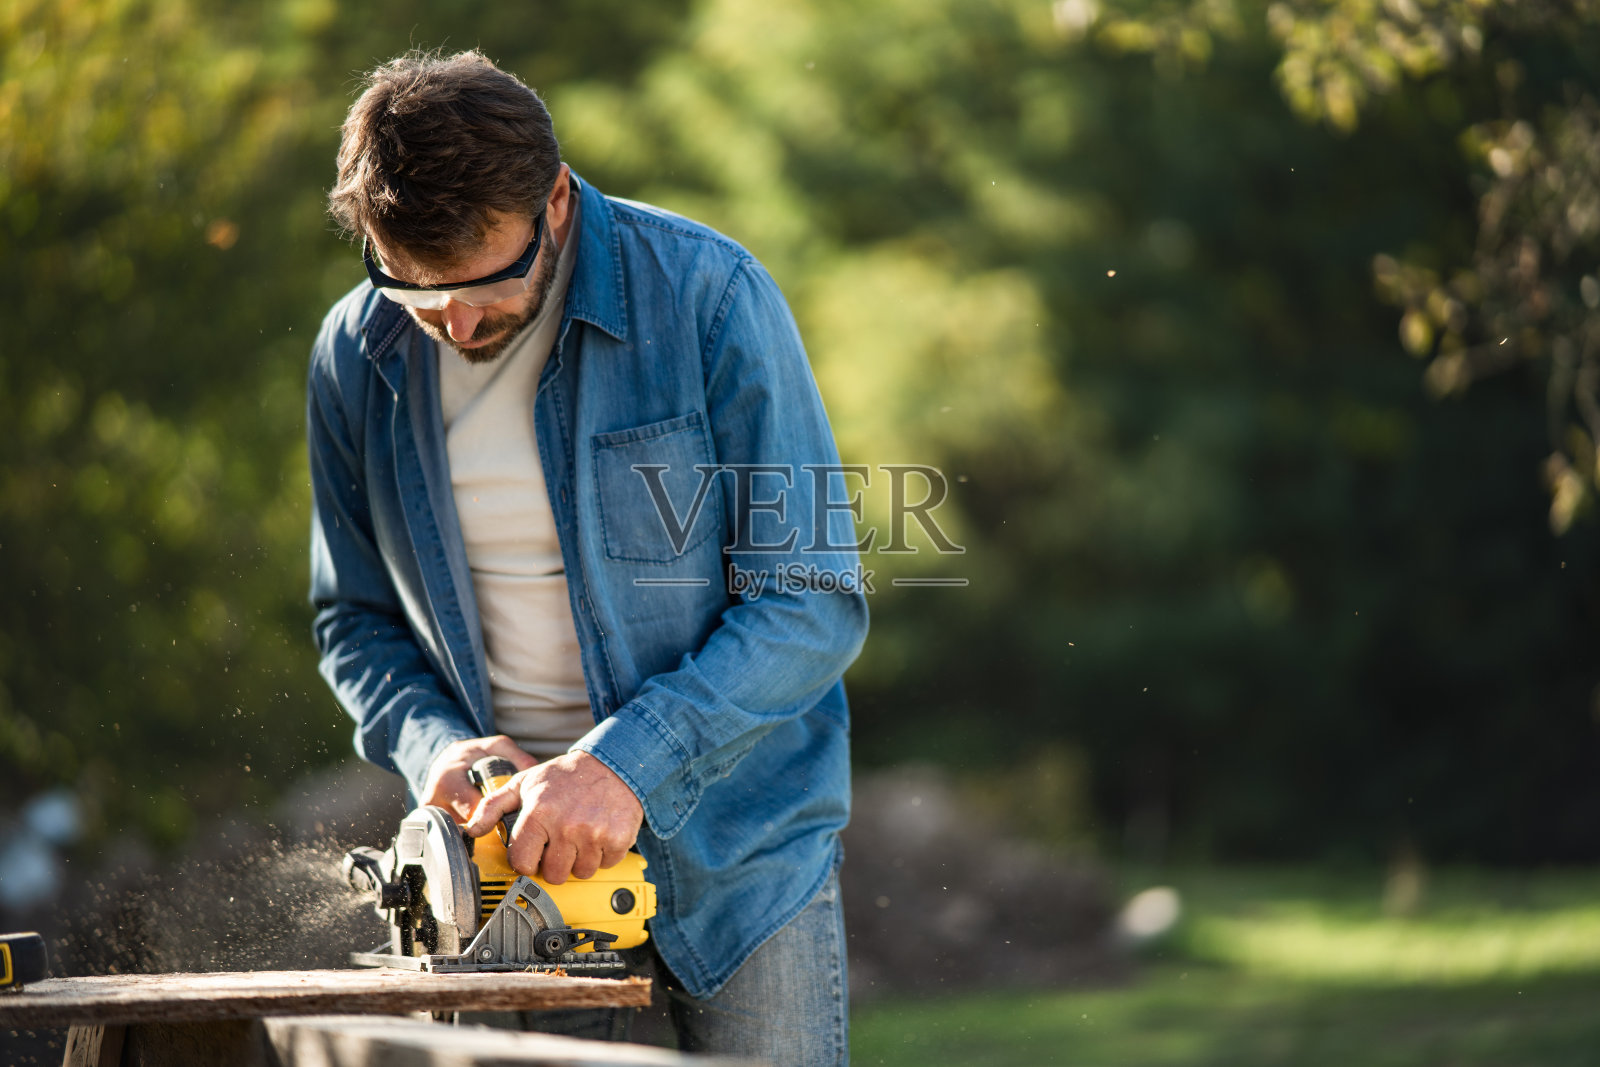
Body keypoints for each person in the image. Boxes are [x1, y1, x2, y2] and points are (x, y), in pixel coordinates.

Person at [306, 49, 867, 1064]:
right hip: (498, 887)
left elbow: (810, 594)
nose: (456, 323)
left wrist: (624, 763)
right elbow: (354, 619)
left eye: (483, 284)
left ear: (554, 200)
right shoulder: (355, 355)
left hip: (741, 858)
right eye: (415, 293)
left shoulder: (709, 295)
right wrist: (435, 745)